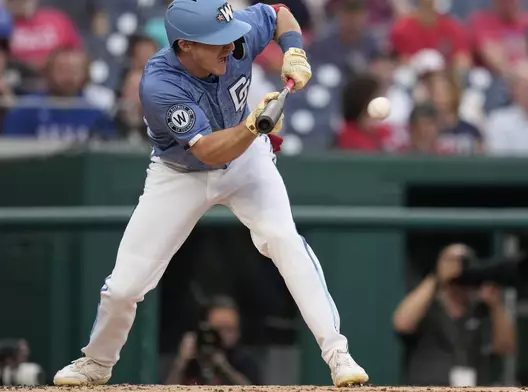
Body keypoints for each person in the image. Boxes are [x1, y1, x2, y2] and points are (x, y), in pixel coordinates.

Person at [51, 0, 368, 388]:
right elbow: (208, 151)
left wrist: (293, 50)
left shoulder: (237, 37)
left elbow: (279, 13)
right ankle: (97, 362)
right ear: (185, 45)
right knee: (124, 287)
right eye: (216, 41)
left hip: (247, 162)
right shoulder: (160, 84)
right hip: (180, 173)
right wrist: (254, 125)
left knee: (284, 240)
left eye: (229, 35)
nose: (230, 46)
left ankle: (338, 354)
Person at [392, 244, 515, 386]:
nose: (457, 266)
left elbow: (505, 347)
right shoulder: (426, 305)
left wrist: (496, 305)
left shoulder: (481, 310)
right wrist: (437, 278)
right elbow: (401, 324)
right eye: (451, 260)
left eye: (464, 261)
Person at [165, 296, 260, 385]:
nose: (223, 335)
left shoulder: (243, 361)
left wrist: (224, 368)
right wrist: (181, 363)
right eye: (217, 329)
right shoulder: (189, 361)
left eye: (229, 330)